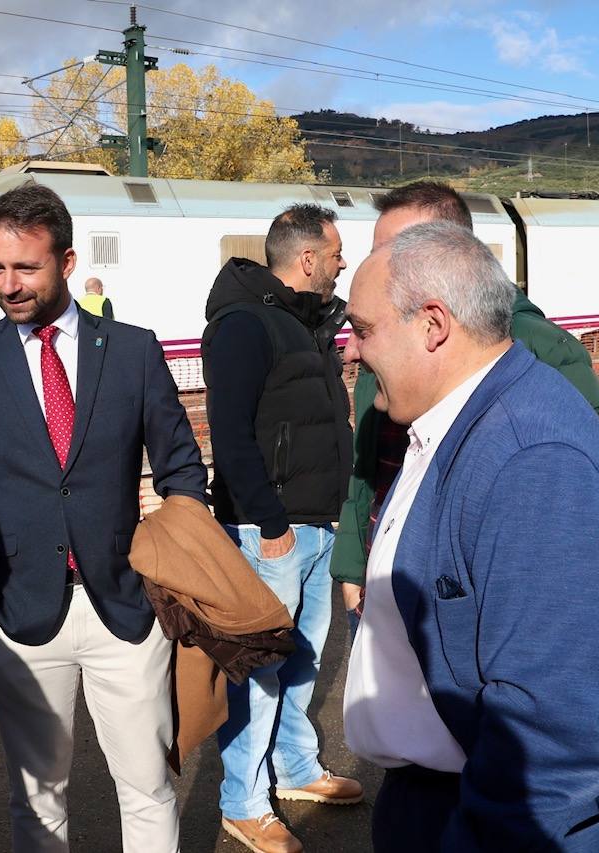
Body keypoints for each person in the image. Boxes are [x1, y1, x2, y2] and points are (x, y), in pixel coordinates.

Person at [340, 221, 599, 851]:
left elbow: (551, 742)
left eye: (364, 328)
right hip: (437, 800)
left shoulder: (533, 461)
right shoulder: (458, 422)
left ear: (433, 325)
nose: (351, 350)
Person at [0, 183, 207, 852]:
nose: (8, 284)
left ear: (68, 261)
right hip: (18, 617)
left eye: (26, 267)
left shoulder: (135, 351)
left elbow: (183, 472)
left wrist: (178, 572)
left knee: (147, 789)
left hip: (127, 612)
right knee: (37, 801)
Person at [330, 181, 599, 639]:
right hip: (386, 573)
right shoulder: (386, 343)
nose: (375, 265)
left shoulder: (528, 345)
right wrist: (353, 568)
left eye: (398, 250)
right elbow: (365, 473)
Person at [199, 204, 361, 853]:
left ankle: (294, 768)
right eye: (337, 250)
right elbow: (231, 434)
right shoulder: (243, 325)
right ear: (308, 258)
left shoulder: (307, 324)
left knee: (303, 661)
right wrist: (270, 525)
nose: (343, 261)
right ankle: (241, 803)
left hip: (316, 524)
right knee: (258, 671)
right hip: (271, 531)